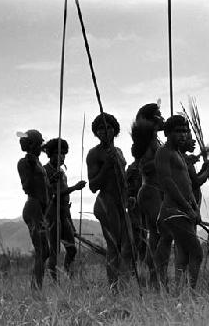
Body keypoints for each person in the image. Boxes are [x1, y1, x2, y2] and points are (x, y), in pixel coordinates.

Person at [154, 115, 203, 289]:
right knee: (196, 252)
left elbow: (188, 184)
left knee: (184, 254)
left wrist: (194, 207)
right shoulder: (163, 152)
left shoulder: (178, 153)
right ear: (167, 133)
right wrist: (187, 208)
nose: (182, 135)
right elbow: (167, 183)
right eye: (178, 131)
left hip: (184, 210)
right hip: (173, 210)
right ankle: (190, 291)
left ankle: (180, 292)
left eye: (185, 131)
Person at [86, 112, 134, 290]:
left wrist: (129, 195)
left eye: (108, 128)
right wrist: (106, 166)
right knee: (114, 246)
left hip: (121, 203)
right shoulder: (94, 154)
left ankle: (125, 284)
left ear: (115, 130)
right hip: (106, 204)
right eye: (100, 129)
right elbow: (93, 185)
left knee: (128, 246)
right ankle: (114, 289)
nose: (104, 132)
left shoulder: (119, 151)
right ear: (96, 133)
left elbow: (122, 179)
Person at [131, 103, 165, 287]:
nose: (162, 118)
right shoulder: (145, 141)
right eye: (158, 115)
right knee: (157, 234)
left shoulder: (154, 140)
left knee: (156, 236)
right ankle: (153, 278)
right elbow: (145, 166)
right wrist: (165, 159)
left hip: (156, 191)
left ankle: (154, 277)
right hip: (150, 190)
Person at [42, 138, 86, 281]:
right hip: (52, 214)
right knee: (54, 251)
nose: (61, 157)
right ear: (49, 154)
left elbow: (64, 200)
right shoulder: (45, 171)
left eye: (64, 154)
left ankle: (69, 276)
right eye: (57, 154)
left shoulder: (62, 173)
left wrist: (70, 222)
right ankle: (55, 283)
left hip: (63, 213)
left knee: (72, 249)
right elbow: (53, 195)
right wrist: (74, 188)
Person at [17, 129, 50, 291]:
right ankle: (36, 289)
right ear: (34, 145)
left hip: (41, 210)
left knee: (46, 251)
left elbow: (45, 187)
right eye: (39, 144)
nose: (41, 148)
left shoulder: (38, 164)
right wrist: (30, 166)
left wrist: (52, 179)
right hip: (33, 208)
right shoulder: (24, 163)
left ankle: (36, 285)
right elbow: (27, 186)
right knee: (41, 250)